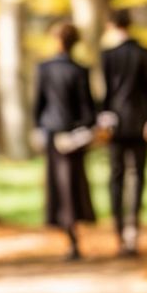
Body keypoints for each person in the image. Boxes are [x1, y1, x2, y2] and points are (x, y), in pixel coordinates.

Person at [98, 12, 147, 257]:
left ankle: (119, 230)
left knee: (116, 176)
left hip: (114, 125)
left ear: (112, 26)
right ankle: (132, 229)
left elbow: (105, 92)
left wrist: (103, 116)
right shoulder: (145, 54)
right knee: (137, 176)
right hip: (141, 123)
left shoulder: (108, 56)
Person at [33, 23, 99, 260]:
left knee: (61, 187)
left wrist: (39, 129)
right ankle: (72, 236)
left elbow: (38, 105)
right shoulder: (80, 70)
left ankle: (71, 237)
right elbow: (88, 109)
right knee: (72, 186)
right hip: (73, 135)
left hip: (54, 134)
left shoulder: (44, 69)